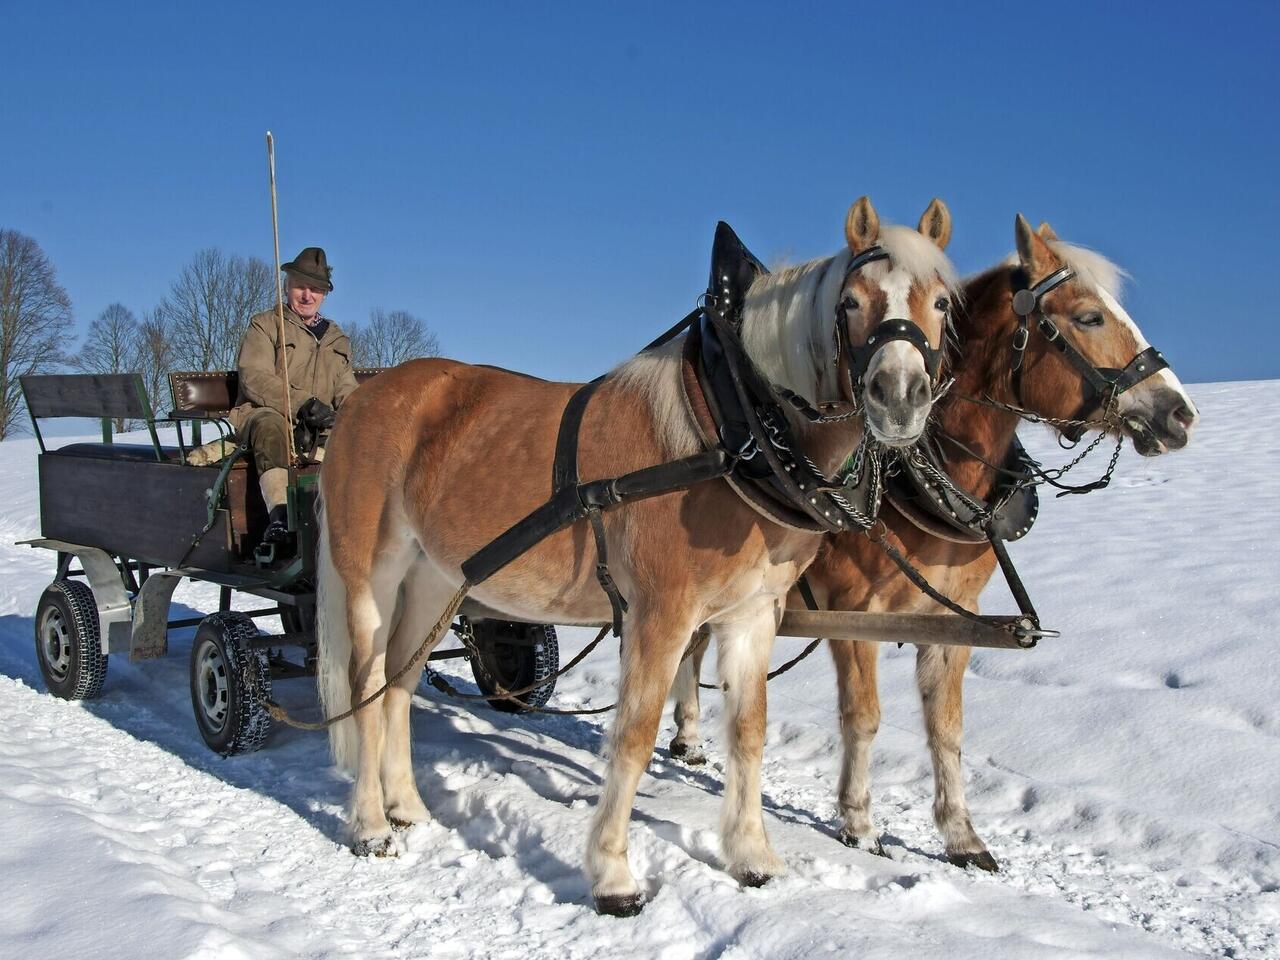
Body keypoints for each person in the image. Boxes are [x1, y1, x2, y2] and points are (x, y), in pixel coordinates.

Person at [227, 247, 359, 544]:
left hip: (317, 425)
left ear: (325, 295)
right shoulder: (265, 325)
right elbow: (254, 377)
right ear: (287, 286)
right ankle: (281, 516)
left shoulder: (337, 339)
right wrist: (303, 405)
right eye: (300, 286)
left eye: (316, 289)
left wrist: (356, 414)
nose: (307, 295)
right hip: (265, 414)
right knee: (270, 425)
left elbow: (346, 389)